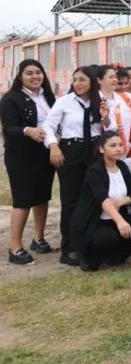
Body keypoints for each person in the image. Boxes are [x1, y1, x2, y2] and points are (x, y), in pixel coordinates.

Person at [43, 66, 105, 266]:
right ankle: (69, 247)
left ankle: (90, 243)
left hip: (95, 151)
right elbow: (48, 126)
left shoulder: (100, 101)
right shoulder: (64, 102)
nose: (77, 83)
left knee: (94, 198)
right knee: (71, 200)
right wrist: (53, 146)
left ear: (92, 82)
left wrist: (105, 116)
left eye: (82, 80)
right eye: (75, 79)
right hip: (71, 151)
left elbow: (109, 129)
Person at [2, 59, 57, 265]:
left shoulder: (48, 96)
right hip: (21, 156)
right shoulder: (11, 99)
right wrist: (27, 130)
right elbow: (9, 129)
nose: (35, 77)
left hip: (45, 154)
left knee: (42, 197)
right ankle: (15, 248)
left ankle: (38, 238)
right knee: (23, 200)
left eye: (38, 72)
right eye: (29, 73)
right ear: (20, 77)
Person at [70, 132, 131, 271]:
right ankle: (90, 259)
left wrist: (123, 201)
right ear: (101, 149)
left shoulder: (122, 166)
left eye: (120, 145)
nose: (118, 149)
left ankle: (117, 257)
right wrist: (120, 221)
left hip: (116, 217)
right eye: (113, 146)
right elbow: (103, 200)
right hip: (95, 221)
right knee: (107, 238)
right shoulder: (95, 170)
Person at [100, 65, 131, 157]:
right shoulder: (98, 98)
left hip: (126, 146)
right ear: (100, 80)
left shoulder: (128, 97)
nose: (123, 86)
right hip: (107, 147)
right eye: (120, 83)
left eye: (125, 83)